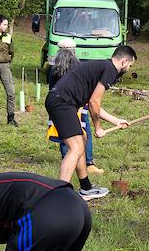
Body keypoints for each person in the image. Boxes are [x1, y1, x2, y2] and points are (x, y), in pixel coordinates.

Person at [45, 46, 135, 197]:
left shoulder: (102, 66)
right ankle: (59, 194)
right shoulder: (111, 70)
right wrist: (98, 128)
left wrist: (115, 120)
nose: (128, 69)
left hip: (61, 101)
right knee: (76, 147)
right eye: (130, 66)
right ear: (124, 61)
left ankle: (86, 187)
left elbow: (93, 103)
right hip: (62, 102)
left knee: (82, 141)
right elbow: (94, 102)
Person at [46, 39, 101, 177]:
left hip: (60, 107)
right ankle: (89, 163)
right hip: (79, 106)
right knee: (84, 132)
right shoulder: (79, 67)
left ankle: (68, 158)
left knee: (64, 134)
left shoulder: (54, 70)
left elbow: (52, 89)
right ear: (74, 52)